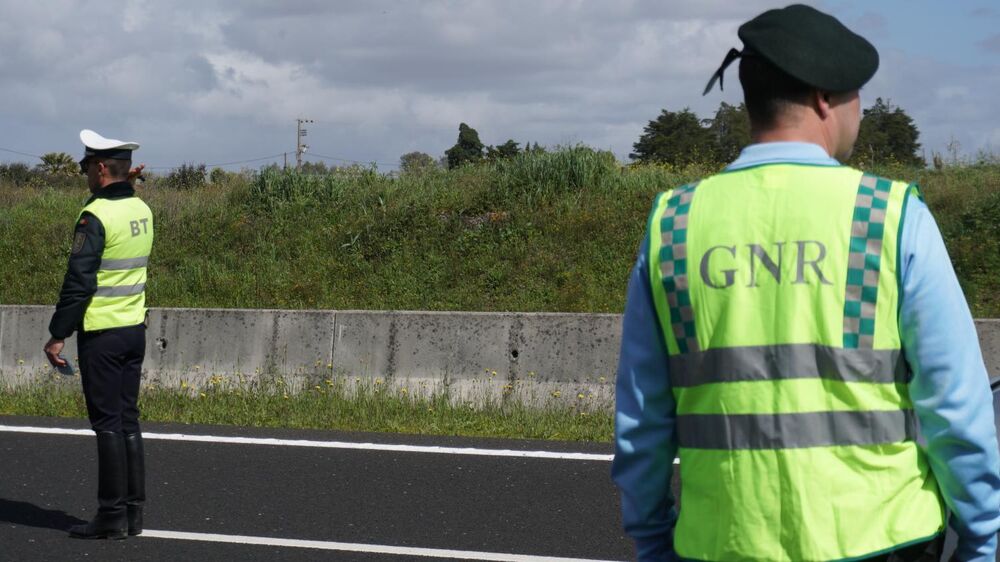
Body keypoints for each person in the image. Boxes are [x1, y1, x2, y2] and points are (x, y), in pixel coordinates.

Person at [612, 5, 1000, 561]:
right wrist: (983, 535)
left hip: (724, 543)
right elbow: (954, 403)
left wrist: (651, 536)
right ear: (824, 98)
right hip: (883, 540)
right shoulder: (887, 215)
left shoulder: (674, 224)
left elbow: (642, 417)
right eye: (855, 95)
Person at [43, 129, 153, 540]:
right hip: (133, 331)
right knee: (127, 421)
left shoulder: (95, 218)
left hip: (102, 334)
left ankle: (110, 515)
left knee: (106, 424)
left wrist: (58, 334)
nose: (85, 172)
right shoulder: (141, 209)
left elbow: (79, 281)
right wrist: (128, 182)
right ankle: (132, 513)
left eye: (87, 166)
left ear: (102, 168)